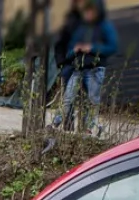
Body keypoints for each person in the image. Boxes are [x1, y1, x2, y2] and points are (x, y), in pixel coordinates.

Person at [61, 0, 118, 136]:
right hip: (78, 68)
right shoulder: (81, 29)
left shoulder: (105, 27)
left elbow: (112, 47)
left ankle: (88, 129)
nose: (88, 14)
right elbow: (68, 51)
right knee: (68, 98)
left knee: (92, 100)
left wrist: (91, 48)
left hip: (95, 69)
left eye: (91, 11)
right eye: (86, 12)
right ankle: (64, 125)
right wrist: (74, 50)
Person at [52, 0, 84, 129]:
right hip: (69, 63)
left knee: (78, 97)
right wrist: (61, 61)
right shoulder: (69, 21)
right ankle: (68, 124)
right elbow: (59, 43)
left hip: (85, 65)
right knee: (68, 95)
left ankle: (61, 122)